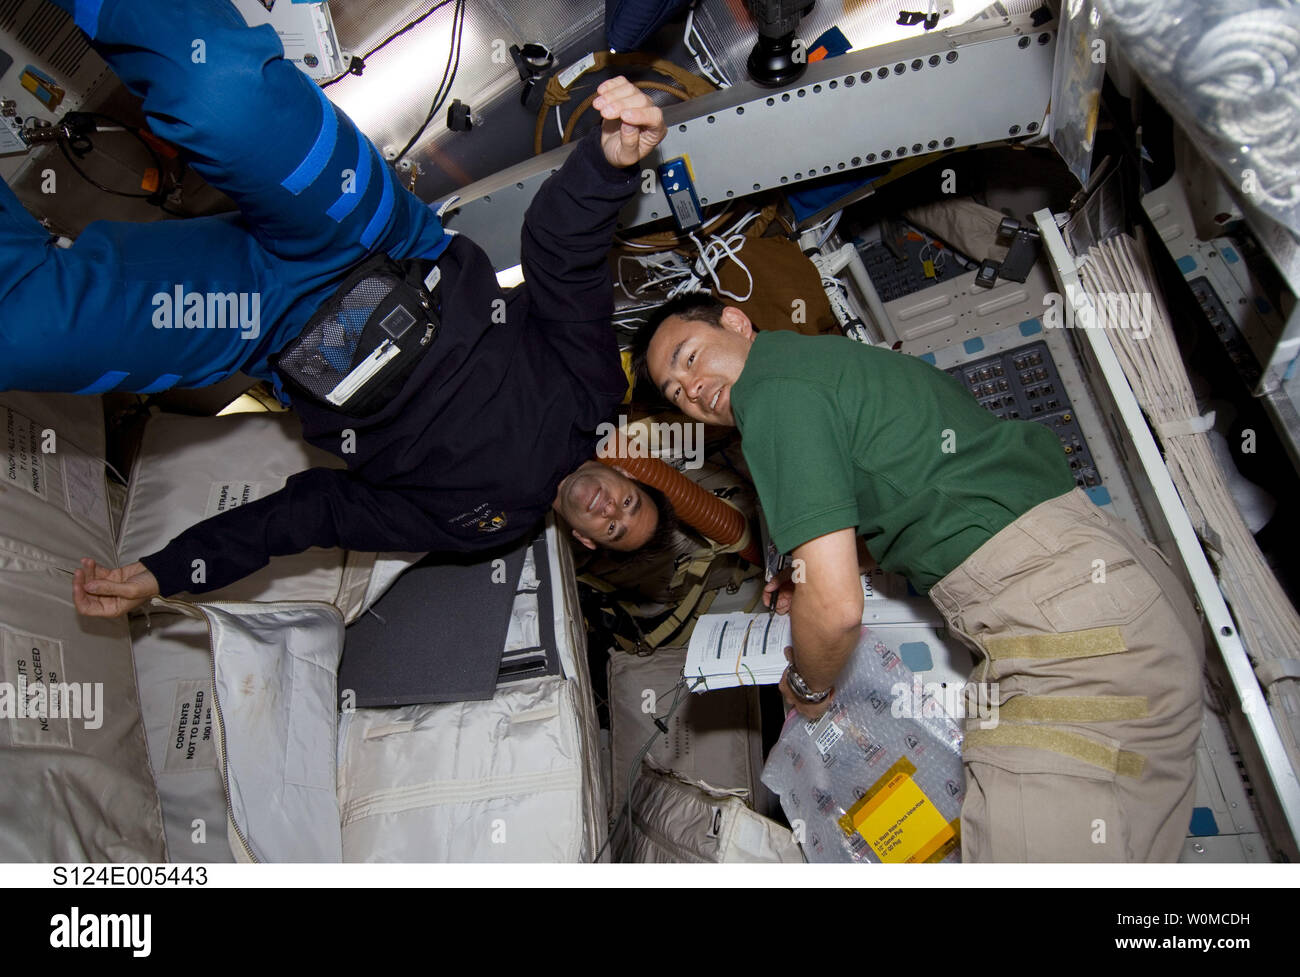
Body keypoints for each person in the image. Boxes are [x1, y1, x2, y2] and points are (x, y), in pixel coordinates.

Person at [0, 2, 667, 614]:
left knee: (21, 334)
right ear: (625, 469)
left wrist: (167, 571)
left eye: (612, 525)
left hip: (266, 327)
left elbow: (314, 515)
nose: (609, 506)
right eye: (628, 500)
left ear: (584, 541)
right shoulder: (592, 398)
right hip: (370, 241)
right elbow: (561, 260)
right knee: (220, 97)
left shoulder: (476, 527)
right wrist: (605, 169)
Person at [632, 293, 1206, 863]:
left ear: (736, 322)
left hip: (1070, 637)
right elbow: (925, 483)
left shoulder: (769, 390)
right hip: (1107, 594)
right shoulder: (823, 364)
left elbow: (835, 612)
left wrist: (808, 687)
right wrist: (833, 564)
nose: (692, 389)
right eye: (676, 392)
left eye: (689, 357)